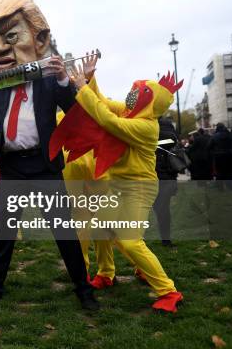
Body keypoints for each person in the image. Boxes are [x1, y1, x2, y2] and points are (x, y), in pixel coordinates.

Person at [0, 0, 98, 310]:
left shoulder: (48, 80)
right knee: (4, 235)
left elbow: (72, 108)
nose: (0, 50)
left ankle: (83, 290)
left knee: (64, 232)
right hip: (14, 167)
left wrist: (62, 79)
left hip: (44, 167)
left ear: (40, 41)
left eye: (10, 37)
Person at [56, 57, 184, 313]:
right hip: (117, 186)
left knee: (129, 241)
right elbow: (102, 103)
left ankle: (168, 291)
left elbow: (106, 120)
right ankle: (106, 273)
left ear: (149, 101)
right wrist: (91, 80)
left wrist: (81, 88)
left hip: (138, 189)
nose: (132, 93)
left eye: (139, 92)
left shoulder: (145, 126)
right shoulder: (130, 113)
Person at [153, 116, 179, 246]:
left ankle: (137, 239)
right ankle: (166, 239)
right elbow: (174, 141)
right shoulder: (168, 126)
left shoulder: (146, 124)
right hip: (166, 173)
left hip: (150, 171)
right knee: (164, 209)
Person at [208, 123, 232, 187]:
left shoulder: (214, 136)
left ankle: (220, 186)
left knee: (219, 171)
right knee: (228, 170)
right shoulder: (229, 134)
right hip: (228, 155)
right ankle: (229, 185)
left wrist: (213, 151)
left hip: (218, 155)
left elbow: (209, 146)